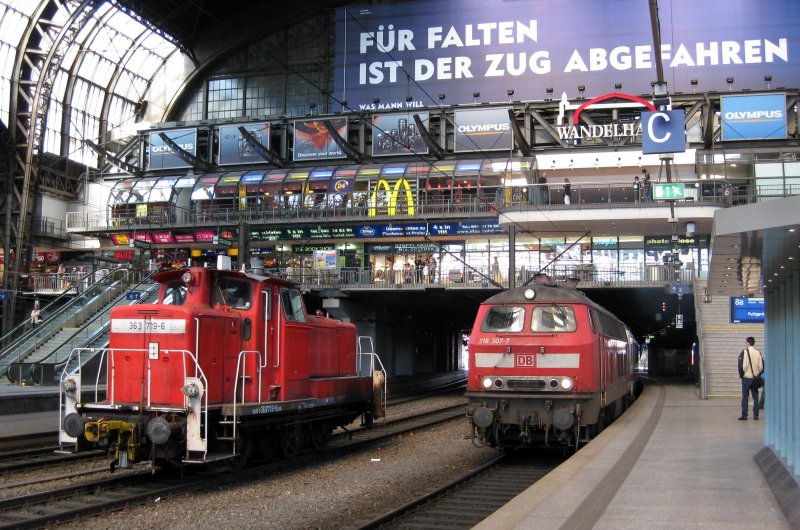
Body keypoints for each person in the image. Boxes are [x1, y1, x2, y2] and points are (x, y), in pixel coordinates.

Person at [737, 336, 764, 420]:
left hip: (746, 378)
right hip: (755, 378)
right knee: (755, 397)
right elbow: (761, 367)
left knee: (745, 397)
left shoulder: (744, 352)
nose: (745, 344)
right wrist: (757, 375)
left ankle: (744, 415)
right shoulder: (758, 352)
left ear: (748, 343)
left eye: (745, 342)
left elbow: (742, 366)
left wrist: (742, 375)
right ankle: (756, 415)